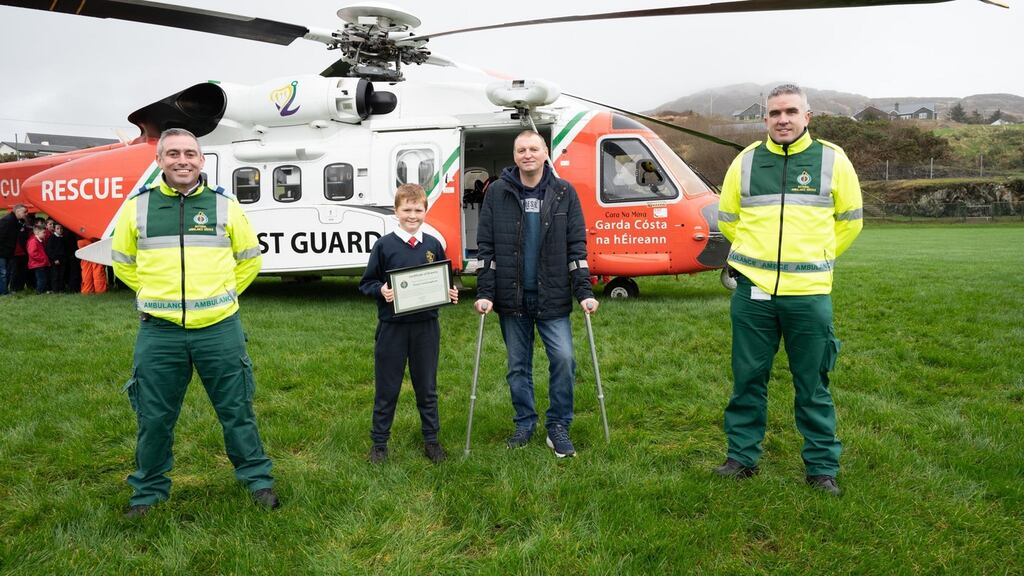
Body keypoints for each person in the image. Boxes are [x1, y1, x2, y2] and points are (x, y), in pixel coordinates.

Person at [111, 128, 278, 518]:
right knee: (153, 417)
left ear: (201, 160)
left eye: (189, 153)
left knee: (237, 409)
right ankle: (148, 492)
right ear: (159, 161)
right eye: (172, 153)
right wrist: (154, 293)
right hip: (160, 331)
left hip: (220, 328)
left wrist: (223, 294)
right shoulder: (137, 206)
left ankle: (257, 479)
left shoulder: (225, 205)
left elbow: (250, 258)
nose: (181, 160)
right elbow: (123, 262)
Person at [714, 84, 863, 496]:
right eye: (775, 112)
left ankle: (821, 467)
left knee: (812, 383)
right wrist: (753, 259)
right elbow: (729, 218)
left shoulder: (833, 159)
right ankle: (742, 457)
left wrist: (817, 256)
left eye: (791, 112)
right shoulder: (745, 161)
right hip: (753, 292)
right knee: (747, 377)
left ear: (806, 117)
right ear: (765, 118)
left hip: (809, 293)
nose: (783, 119)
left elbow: (850, 220)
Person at [474, 130, 599, 458]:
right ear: (514, 156)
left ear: (546, 152)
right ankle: (525, 422)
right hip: (510, 297)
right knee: (518, 366)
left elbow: (577, 247)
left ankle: (558, 425)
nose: (527, 154)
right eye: (521, 150)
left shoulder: (564, 192)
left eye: (533, 148)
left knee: (564, 359)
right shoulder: (497, 193)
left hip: (553, 295)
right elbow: (486, 249)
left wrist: (583, 291)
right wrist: (485, 292)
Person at [359, 183, 459, 464]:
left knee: (427, 387)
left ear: (426, 211)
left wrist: (450, 293)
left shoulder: (433, 245)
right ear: (396, 211)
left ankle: (431, 440)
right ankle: (379, 444)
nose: (412, 215)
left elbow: (444, 280)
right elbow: (366, 283)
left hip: (426, 327)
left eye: (418, 209)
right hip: (392, 328)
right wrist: (381, 290)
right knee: (387, 388)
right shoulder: (384, 245)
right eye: (407, 209)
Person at [0, 204, 28, 295]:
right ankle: (3, 292)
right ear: (18, 211)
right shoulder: (7, 221)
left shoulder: (16, 221)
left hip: (8, 251)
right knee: (3, 273)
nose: (26, 214)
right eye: (24, 212)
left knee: (6, 272)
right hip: (2, 251)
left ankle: (4, 290)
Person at [26, 223, 50, 294]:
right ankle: (39, 291)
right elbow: (33, 253)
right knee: (41, 279)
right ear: (37, 232)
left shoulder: (39, 240)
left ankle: (43, 290)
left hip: (41, 263)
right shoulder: (33, 241)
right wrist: (43, 259)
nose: (45, 234)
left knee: (43, 278)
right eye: (43, 232)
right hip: (38, 264)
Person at [45, 222, 69, 292]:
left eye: (61, 228)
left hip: (63, 259)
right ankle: (55, 289)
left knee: (62, 274)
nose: (60, 230)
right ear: (54, 229)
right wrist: (55, 259)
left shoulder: (63, 237)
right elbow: (49, 250)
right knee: (55, 275)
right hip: (55, 260)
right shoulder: (52, 238)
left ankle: (61, 289)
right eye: (58, 228)